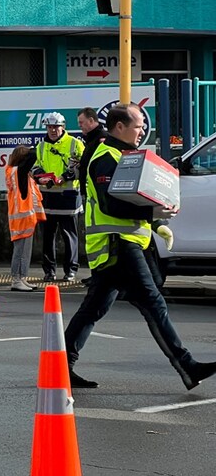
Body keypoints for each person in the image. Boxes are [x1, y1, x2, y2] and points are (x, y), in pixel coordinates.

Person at [64, 103, 216, 390]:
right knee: (153, 303)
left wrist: (157, 223)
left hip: (124, 243)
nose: (142, 130)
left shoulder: (123, 155)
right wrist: (152, 215)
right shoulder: (105, 158)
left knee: (94, 308)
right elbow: (111, 203)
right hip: (116, 245)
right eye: (138, 126)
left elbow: (131, 198)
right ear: (119, 127)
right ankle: (187, 366)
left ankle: (61, 366)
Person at [32, 112, 84, 283]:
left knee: (70, 237)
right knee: (47, 238)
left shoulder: (75, 144)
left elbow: (83, 167)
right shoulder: (40, 146)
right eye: (50, 127)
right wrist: (40, 176)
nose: (53, 130)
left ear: (63, 127)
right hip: (47, 198)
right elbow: (35, 167)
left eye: (56, 126)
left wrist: (66, 176)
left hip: (68, 197)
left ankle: (71, 270)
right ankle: (49, 271)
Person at [5, 146, 45, 292]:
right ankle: (17, 279)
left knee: (23, 251)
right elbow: (33, 155)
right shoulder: (19, 172)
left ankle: (22, 278)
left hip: (22, 218)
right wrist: (31, 148)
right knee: (21, 251)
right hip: (22, 219)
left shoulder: (14, 172)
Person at [76, 106, 108, 201]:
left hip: (95, 194)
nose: (79, 125)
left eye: (81, 122)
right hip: (89, 192)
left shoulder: (102, 139)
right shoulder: (91, 139)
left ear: (91, 120)